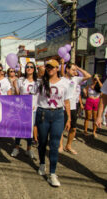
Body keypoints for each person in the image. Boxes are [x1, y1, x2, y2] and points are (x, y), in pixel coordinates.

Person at [36, 59, 71, 187]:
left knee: (55, 144)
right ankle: (42, 163)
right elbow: (31, 97)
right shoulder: (40, 82)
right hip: (43, 113)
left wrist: (69, 118)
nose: (50, 69)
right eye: (48, 67)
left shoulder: (65, 83)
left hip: (58, 114)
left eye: (52, 67)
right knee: (42, 142)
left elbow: (67, 101)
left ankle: (52, 174)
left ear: (57, 69)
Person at [59, 61, 91, 154]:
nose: (74, 71)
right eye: (73, 70)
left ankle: (68, 146)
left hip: (73, 107)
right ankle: (60, 145)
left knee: (73, 128)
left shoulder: (76, 79)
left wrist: (78, 68)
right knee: (61, 128)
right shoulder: (61, 79)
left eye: (75, 70)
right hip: (63, 107)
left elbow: (88, 76)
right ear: (67, 69)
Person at [11, 62, 38, 159]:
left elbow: (39, 96)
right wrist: (15, 87)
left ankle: (29, 149)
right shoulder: (21, 80)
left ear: (34, 69)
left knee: (29, 130)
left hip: (33, 109)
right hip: (22, 109)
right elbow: (18, 95)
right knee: (20, 128)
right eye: (27, 67)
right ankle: (16, 147)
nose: (29, 68)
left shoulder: (37, 82)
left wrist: (36, 105)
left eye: (31, 67)